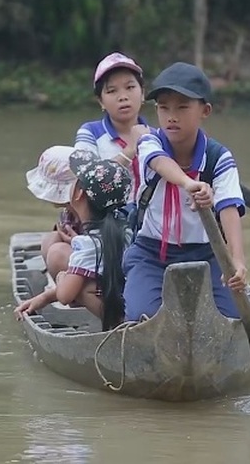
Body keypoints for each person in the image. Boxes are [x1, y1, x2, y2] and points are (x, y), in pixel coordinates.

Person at [121, 62, 248, 322]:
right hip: (151, 253)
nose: (171, 116)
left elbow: (228, 207)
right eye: (164, 107)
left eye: (182, 107)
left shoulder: (218, 157)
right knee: (141, 317)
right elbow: (159, 162)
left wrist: (236, 260)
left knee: (232, 321)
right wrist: (189, 183)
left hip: (206, 253)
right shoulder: (149, 141)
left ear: (205, 110)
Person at [17, 148, 134, 330]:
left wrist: (64, 276)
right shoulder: (126, 228)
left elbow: (64, 296)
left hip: (120, 312)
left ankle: (119, 326)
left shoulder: (88, 244)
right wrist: (44, 297)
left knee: (78, 286)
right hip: (131, 298)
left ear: (79, 193)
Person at [74, 52, 151, 206]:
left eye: (130, 87)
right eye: (111, 91)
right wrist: (130, 150)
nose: (123, 96)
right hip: (103, 222)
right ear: (100, 101)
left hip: (148, 224)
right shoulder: (90, 133)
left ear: (142, 93)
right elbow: (87, 180)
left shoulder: (156, 137)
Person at [25, 146, 84, 281]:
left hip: (94, 262)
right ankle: (63, 286)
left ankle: (76, 294)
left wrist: (76, 241)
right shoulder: (69, 213)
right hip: (80, 256)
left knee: (56, 252)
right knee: (50, 240)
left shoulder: (89, 211)